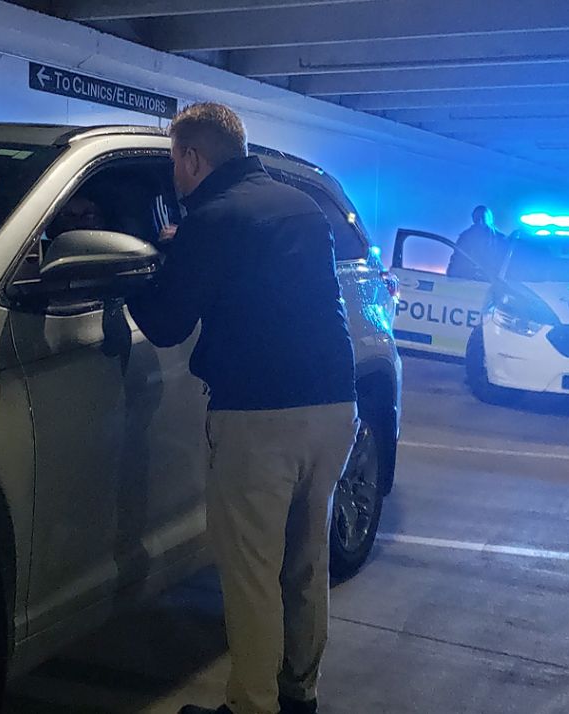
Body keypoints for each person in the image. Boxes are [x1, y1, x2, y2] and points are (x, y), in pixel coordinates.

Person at [128, 103, 358, 714]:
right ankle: (298, 694)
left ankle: (252, 707)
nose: (175, 174)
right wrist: (193, 245)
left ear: (193, 158)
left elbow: (168, 324)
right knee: (306, 561)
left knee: (252, 572)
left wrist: (141, 271)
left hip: (260, 418)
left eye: (176, 161)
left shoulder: (213, 218)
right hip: (335, 406)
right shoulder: (299, 205)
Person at [448, 205, 506, 280]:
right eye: (477, 219)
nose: (480, 222)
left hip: (493, 282)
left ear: (490, 219)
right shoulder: (465, 237)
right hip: (467, 281)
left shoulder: (501, 239)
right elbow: (456, 261)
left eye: (483, 218)